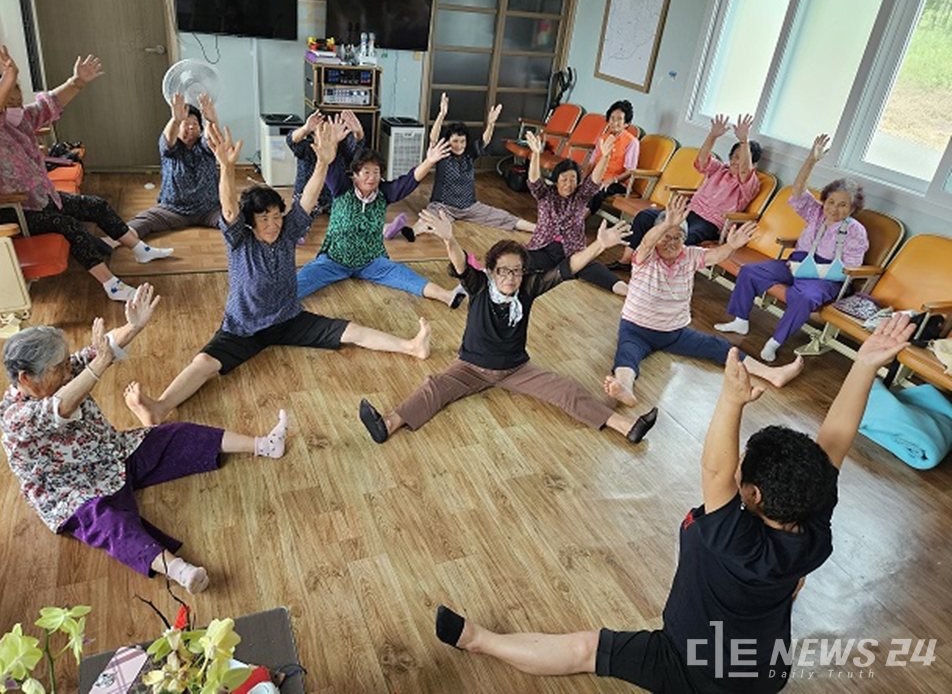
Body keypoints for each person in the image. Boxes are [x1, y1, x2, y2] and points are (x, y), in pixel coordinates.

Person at [433, 314, 916, 693]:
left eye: (742, 469)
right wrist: (864, 364)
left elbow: (713, 472)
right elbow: (834, 441)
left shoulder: (737, 539)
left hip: (691, 666)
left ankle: (478, 640)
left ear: (753, 495)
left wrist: (730, 400)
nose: (734, 470)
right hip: (764, 671)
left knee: (585, 650)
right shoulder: (812, 525)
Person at [124, 120, 432, 426]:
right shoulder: (239, 240)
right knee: (204, 363)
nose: (273, 224)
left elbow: (308, 199)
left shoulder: (286, 232)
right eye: (264, 219)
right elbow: (229, 208)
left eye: (276, 216)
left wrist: (324, 162)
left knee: (350, 331)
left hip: (288, 319)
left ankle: (411, 346)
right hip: (243, 327)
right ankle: (160, 407)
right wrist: (226, 169)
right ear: (251, 222)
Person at [0, 284, 290, 594]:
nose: (69, 369)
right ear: (26, 379)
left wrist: (134, 326)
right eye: (60, 367)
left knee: (176, 434)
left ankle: (263, 445)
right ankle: (179, 570)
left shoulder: (64, 372)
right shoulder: (15, 418)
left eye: (67, 362)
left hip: (111, 454)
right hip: (72, 491)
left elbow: (98, 351)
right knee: (110, 525)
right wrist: (98, 364)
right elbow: (60, 406)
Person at [357, 209, 659, 445]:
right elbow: (461, 264)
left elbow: (568, 269)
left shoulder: (529, 287)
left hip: (517, 368)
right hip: (470, 367)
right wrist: (450, 239)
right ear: (491, 271)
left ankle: (627, 427)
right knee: (433, 388)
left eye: (516, 271)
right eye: (503, 270)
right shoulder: (478, 285)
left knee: (566, 390)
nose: (510, 277)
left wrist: (599, 246)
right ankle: (387, 424)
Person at [0, 44, 173, 302]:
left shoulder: (19, 118)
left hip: (38, 201)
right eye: (10, 88)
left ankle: (141, 249)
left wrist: (77, 81)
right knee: (69, 226)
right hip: (7, 211)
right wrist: (9, 76)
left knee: (96, 206)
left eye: (17, 87)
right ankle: (113, 287)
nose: (16, 94)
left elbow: (49, 104)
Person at [604, 195, 803, 412]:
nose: (671, 242)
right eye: (666, 236)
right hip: (636, 329)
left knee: (721, 347)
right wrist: (668, 223)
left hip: (674, 332)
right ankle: (624, 387)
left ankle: (772, 374)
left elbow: (715, 255)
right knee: (626, 356)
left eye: (678, 237)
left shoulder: (689, 255)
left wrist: (732, 245)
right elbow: (646, 242)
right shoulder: (646, 256)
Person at [715, 134, 868, 362]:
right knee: (750, 271)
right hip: (795, 263)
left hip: (825, 277)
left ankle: (775, 342)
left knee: (804, 298)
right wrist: (811, 160)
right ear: (824, 201)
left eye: (843, 205)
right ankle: (740, 321)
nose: (834, 209)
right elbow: (797, 191)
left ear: (854, 208)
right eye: (831, 202)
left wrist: (815, 271)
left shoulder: (856, 231)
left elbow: (850, 267)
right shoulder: (815, 211)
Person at [295, 135, 468, 308]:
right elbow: (330, 166)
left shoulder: (384, 193)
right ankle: (271, 306)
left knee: (405, 275)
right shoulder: (342, 187)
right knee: (303, 279)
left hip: (371, 262)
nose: (371, 178)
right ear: (355, 175)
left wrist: (429, 161)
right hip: (333, 260)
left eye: (376, 172)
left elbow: (409, 180)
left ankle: (448, 296)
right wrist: (331, 145)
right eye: (366, 172)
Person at [618, 114, 762, 262]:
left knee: (681, 237)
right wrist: (712, 135)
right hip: (689, 211)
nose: (736, 162)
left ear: (752, 164)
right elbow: (701, 161)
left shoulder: (750, 183)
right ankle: (626, 260)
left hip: (710, 223)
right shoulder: (720, 169)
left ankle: (653, 269)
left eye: (742, 158)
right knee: (645, 217)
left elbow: (745, 171)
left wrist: (744, 141)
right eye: (734, 156)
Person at [396, 92, 536, 241]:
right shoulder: (443, 154)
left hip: (470, 207)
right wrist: (442, 114)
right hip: (443, 206)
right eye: (455, 141)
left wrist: (491, 124)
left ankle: (537, 228)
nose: (459, 145)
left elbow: (485, 141)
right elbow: (433, 139)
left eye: (462, 141)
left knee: (503, 217)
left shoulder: (470, 154)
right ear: (448, 141)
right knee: (428, 218)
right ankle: (412, 232)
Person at [524, 130, 628, 296]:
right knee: (518, 262)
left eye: (573, 179)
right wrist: (536, 154)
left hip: (574, 253)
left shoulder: (580, 196)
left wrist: (606, 156)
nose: (568, 184)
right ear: (556, 180)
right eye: (564, 179)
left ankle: (632, 293)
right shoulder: (545, 194)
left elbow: (594, 181)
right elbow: (534, 181)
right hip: (543, 249)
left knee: (601, 273)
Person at [125, 92, 222, 239]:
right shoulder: (171, 148)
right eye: (186, 124)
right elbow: (168, 139)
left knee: (237, 219)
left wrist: (212, 122)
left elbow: (212, 138)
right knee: (142, 222)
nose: (190, 127)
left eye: (195, 124)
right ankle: (109, 243)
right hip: (173, 210)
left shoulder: (204, 146)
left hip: (209, 210)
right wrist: (176, 120)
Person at [287, 108, 365, 218]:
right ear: (313, 135)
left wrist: (358, 131)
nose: (327, 135)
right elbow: (292, 140)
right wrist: (305, 128)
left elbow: (357, 148)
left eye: (330, 131)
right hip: (307, 199)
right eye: (322, 130)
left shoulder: (342, 149)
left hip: (333, 199)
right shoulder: (306, 148)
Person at [586, 99, 640, 216]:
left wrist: (612, 180)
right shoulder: (603, 138)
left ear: (626, 124)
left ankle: (577, 223)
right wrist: (582, 178)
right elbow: (591, 163)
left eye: (619, 119)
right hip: (598, 177)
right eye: (612, 118)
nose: (614, 122)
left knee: (598, 192)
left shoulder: (632, 142)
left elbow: (630, 171)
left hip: (617, 183)